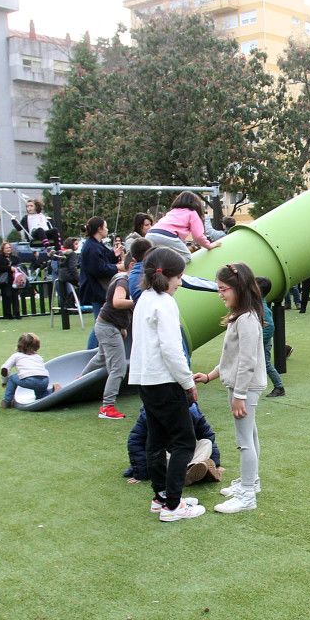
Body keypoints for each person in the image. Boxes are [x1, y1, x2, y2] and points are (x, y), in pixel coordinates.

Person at [128, 247, 206, 522]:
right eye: (179, 278)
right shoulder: (165, 303)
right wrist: (187, 382)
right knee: (185, 441)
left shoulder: (144, 300)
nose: (181, 283)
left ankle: (161, 496)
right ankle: (172, 505)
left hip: (146, 380)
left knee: (157, 439)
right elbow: (171, 349)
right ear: (168, 276)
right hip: (164, 380)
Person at [193, 262, 268, 514]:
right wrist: (210, 375)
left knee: (244, 440)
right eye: (219, 289)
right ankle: (251, 483)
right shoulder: (242, 316)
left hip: (244, 388)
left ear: (239, 288)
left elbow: (247, 361)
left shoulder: (246, 319)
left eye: (224, 289)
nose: (221, 294)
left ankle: (247, 493)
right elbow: (231, 358)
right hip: (242, 386)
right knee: (251, 436)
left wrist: (240, 396)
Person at [78, 259, 133, 420]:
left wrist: (122, 326)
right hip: (107, 327)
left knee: (101, 357)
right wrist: (137, 301)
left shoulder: (122, 278)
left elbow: (115, 306)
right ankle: (107, 407)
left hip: (106, 324)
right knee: (119, 368)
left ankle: (81, 379)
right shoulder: (124, 280)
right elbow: (117, 302)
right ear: (132, 264)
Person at [124, 403, 222, 486]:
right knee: (159, 453)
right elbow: (135, 442)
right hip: (165, 453)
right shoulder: (149, 414)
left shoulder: (193, 412)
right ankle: (193, 470)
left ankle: (192, 468)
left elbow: (208, 435)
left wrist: (216, 464)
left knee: (206, 442)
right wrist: (141, 473)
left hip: (187, 453)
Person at [79, 217, 121, 349]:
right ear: (99, 229)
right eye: (106, 227)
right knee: (101, 323)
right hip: (96, 289)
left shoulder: (95, 244)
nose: (107, 229)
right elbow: (98, 269)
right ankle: (91, 350)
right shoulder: (91, 247)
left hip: (98, 288)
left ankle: (97, 350)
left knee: (102, 322)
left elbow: (105, 258)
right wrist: (117, 267)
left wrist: (114, 255)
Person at [146, 191, 220, 259]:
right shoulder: (192, 213)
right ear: (197, 204)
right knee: (186, 256)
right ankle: (170, 271)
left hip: (150, 234)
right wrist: (209, 246)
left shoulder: (173, 211)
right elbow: (198, 236)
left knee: (155, 258)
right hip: (167, 236)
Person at [0, 333, 60, 408]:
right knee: (41, 396)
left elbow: (5, 369)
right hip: (45, 379)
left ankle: (7, 401)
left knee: (12, 378)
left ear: (19, 345)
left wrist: (4, 381)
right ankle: (53, 391)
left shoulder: (16, 355)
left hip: (30, 380)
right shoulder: (38, 357)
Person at [254, 277, 286, 398]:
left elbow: (270, 327)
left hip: (262, 341)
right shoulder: (257, 303)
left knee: (266, 364)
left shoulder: (261, 307)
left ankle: (279, 387)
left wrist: (259, 342)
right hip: (260, 340)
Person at [0, 241, 23, 320]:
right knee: (7, 296)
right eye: (6, 248)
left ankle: (17, 313)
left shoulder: (15, 257)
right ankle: (8, 314)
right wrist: (9, 268)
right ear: (3, 249)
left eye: (9, 247)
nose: (8, 249)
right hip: (5, 280)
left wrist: (15, 268)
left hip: (14, 279)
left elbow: (19, 265)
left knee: (15, 296)